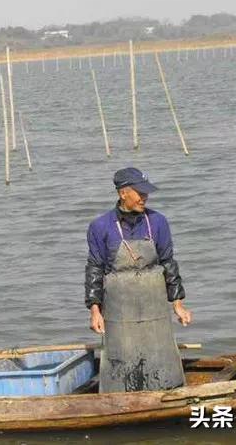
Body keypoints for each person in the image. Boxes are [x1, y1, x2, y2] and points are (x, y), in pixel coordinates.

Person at [84, 167, 192, 393]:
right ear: (123, 193)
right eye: (139, 192)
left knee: (160, 353)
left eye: (147, 192)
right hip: (119, 309)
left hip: (155, 306)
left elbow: (169, 264)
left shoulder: (158, 222)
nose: (145, 197)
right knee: (122, 358)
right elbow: (95, 269)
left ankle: (167, 389)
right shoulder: (100, 227)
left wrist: (178, 304)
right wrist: (95, 310)